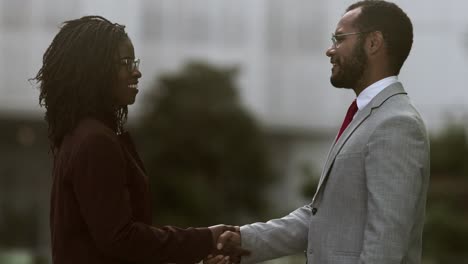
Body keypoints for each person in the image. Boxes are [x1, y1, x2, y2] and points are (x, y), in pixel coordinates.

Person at [207, 1, 430, 263]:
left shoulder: (396, 125)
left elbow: (385, 244)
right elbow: (323, 217)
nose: (330, 50)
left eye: (339, 38)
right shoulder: (367, 117)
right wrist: (243, 241)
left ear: (373, 43)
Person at [33, 16, 247, 264]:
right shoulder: (94, 141)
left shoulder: (80, 135)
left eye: (134, 61)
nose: (137, 71)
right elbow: (120, 239)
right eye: (125, 62)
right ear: (94, 69)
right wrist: (206, 239)